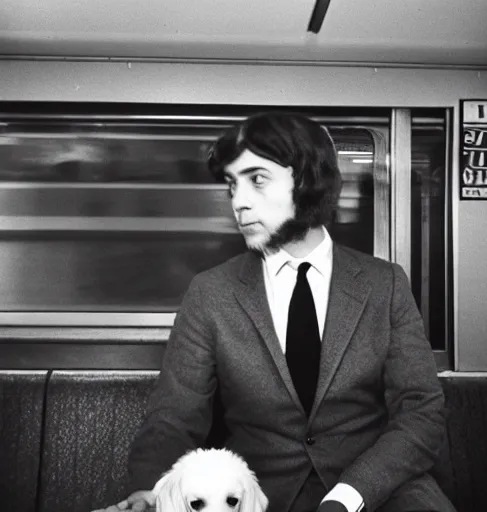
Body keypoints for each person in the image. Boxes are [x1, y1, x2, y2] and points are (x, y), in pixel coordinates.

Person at [94, 112, 456, 512]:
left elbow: (420, 411)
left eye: (257, 180)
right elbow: (174, 416)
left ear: (304, 179)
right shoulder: (212, 292)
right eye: (232, 185)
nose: (238, 202)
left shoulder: (383, 284)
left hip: (376, 489)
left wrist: (349, 495)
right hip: (253, 495)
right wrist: (151, 489)